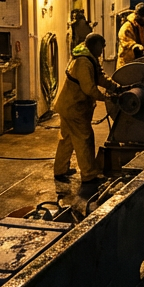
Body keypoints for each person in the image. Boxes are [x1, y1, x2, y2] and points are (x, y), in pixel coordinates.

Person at [52, 33, 119, 183]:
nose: (102, 50)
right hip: (74, 108)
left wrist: (115, 86)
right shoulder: (83, 62)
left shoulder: (89, 57)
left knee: (67, 139)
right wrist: (106, 97)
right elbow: (89, 88)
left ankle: (60, 170)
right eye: (101, 47)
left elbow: (99, 76)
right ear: (94, 45)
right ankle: (89, 175)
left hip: (69, 106)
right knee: (84, 139)